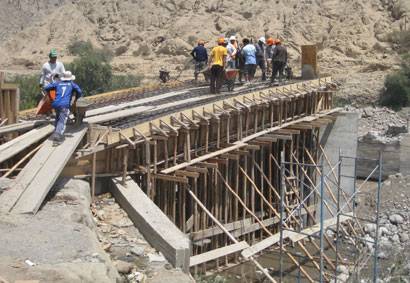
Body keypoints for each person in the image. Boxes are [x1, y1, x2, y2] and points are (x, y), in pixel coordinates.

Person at [43, 71, 82, 143]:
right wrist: (76, 97)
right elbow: (79, 91)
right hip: (64, 105)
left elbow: (46, 87)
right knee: (62, 121)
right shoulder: (72, 84)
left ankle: (56, 132)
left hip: (55, 104)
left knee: (58, 118)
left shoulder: (58, 83)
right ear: (71, 78)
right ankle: (57, 136)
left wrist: (52, 90)